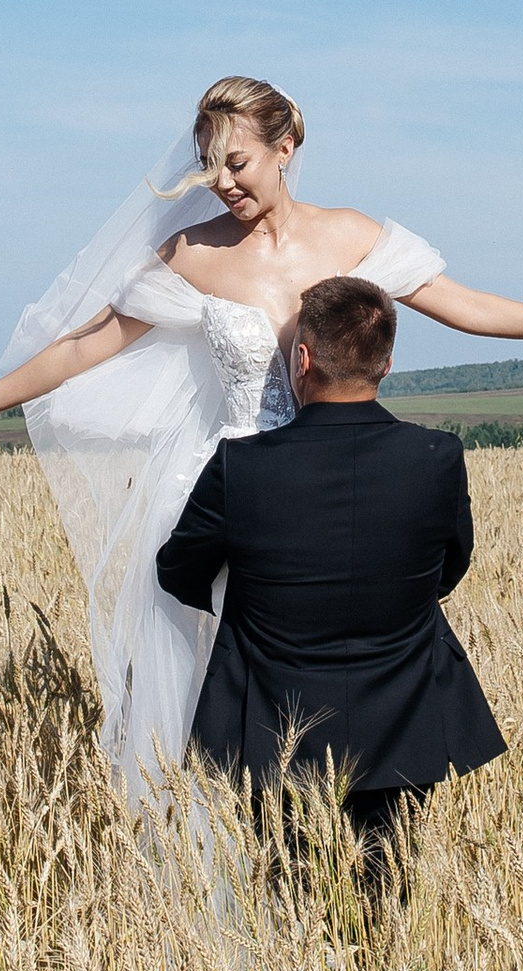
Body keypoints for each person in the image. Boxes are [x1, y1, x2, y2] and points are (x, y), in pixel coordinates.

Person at [0, 74, 523, 798]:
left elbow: (467, 305)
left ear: (286, 147)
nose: (223, 182)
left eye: (238, 161)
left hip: (343, 489)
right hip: (234, 495)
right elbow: (88, 344)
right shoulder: (193, 253)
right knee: (227, 699)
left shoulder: (355, 236)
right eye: (210, 167)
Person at [158, 271, 496, 889]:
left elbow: (178, 572)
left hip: (271, 726)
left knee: (286, 917)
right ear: (387, 363)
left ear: (302, 359)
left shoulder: (241, 466)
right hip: (404, 721)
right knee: (382, 906)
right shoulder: (438, 458)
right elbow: (450, 567)